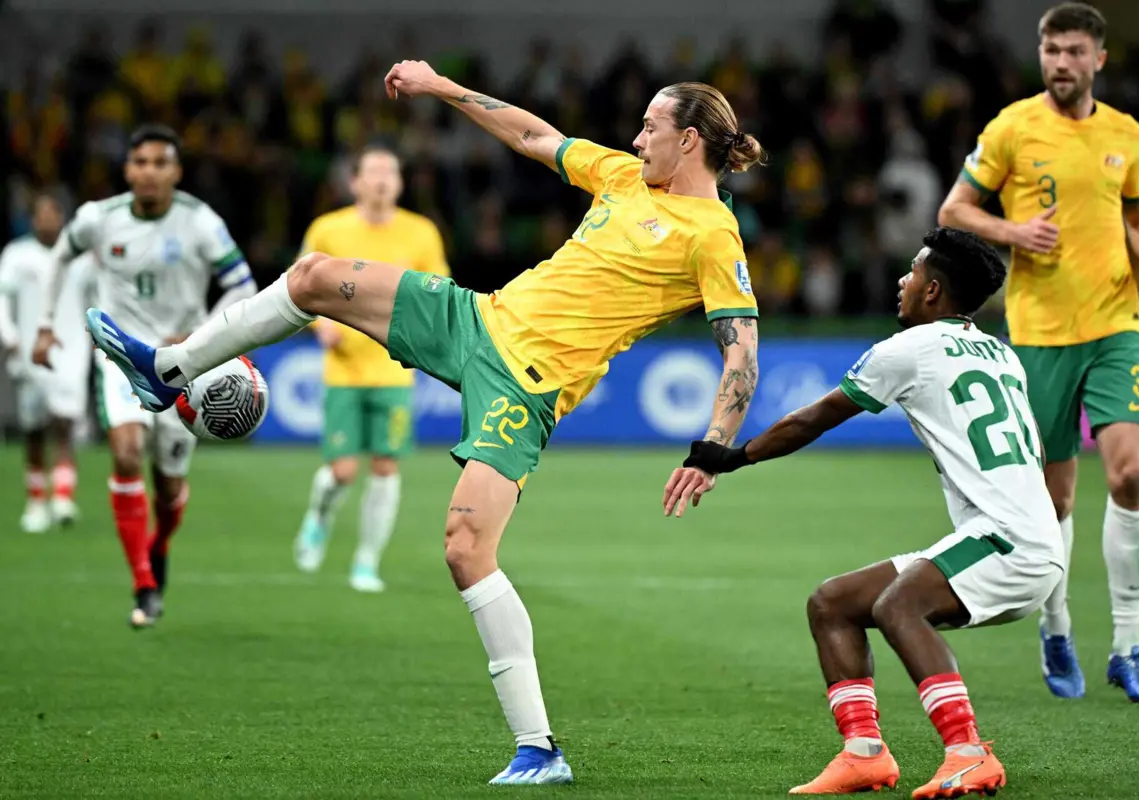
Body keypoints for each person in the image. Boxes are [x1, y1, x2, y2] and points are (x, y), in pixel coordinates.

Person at [85, 63, 766, 784]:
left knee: (465, 548)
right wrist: (441, 87)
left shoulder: (712, 236)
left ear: (689, 141)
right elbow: (534, 135)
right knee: (313, 274)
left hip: (526, 389)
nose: (634, 139)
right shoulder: (626, 178)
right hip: (476, 318)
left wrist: (713, 447)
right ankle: (168, 371)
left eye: (650, 129)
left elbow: (742, 353)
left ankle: (538, 749)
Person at [673, 228, 1060, 797]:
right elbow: (1038, 452)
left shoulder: (907, 349)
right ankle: (864, 753)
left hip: (1007, 541)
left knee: (899, 604)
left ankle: (968, 750)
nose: (903, 280)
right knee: (833, 604)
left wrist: (729, 457)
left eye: (913, 271)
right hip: (1022, 535)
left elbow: (816, 418)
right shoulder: (1000, 352)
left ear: (933, 291)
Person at [937, 2, 1139, 702]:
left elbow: (1137, 207)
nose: (1060, 63)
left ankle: (1128, 647)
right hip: (1039, 335)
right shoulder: (1012, 127)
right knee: (1053, 498)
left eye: (1073, 51)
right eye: (1051, 50)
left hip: (1115, 325)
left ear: (1099, 59)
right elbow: (954, 210)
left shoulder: (1124, 133)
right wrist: (1011, 233)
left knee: (1128, 474)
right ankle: (1057, 627)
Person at [33, 124, 259, 629]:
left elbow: (243, 283)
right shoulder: (99, 218)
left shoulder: (200, 222)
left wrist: (200, 336)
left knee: (169, 487)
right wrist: (46, 325)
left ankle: (159, 546)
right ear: (128, 169)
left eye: (161, 163)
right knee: (126, 452)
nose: (150, 171)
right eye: (141, 162)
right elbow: (58, 257)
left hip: (185, 367)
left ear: (176, 172)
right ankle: (143, 581)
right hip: (122, 359)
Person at [293, 142, 451, 593]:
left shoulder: (421, 233)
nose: (382, 180)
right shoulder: (328, 229)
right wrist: (320, 323)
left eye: (390, 172)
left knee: (385, 468)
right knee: (342, 471)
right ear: (355, 180)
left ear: (400, 183)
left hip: (393, 370)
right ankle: (319, 517)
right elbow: (299, 285)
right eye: (374, 172)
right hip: (343, 370)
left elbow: (440, 289)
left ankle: (366, 561)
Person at [0, 192, 93, 533]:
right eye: (39, 214)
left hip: (71, 352)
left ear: (62, 217)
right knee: (34, 432)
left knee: (65, 423)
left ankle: (63, 496)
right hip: (29, 354)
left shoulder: (79, 258)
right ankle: (36, 501)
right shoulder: (17, 255)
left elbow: (98, 298)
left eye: (52, 213)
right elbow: (1, 298)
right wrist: (8, 335)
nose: (46, 220)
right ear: (32, 219)